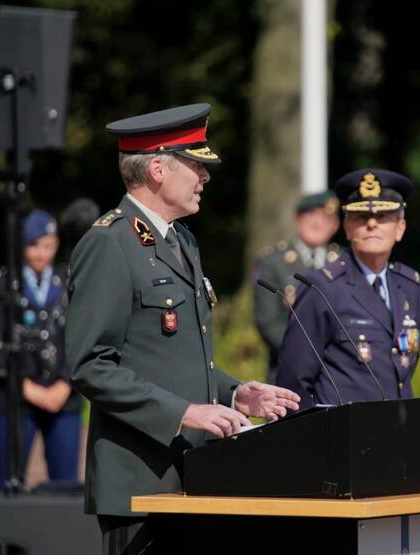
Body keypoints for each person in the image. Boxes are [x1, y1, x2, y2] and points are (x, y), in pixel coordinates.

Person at [65, 103, 301, 554]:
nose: (205, 177)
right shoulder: (109, 245)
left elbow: (176, 357)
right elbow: (90, 365)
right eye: (196, 165)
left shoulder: (181, 240)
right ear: (157, 168)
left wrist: (235, 394)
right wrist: (184, 414)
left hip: (192, 472)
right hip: (140, 482)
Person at [275, 169, 420, 410]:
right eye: (361, 217)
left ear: (400, 228)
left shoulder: (410, 285)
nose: (372, 224)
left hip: (398, 431)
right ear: (347, 227)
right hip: (343, 436)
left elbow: (404, 365)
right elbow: (294, 381)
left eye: (383, 216)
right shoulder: (323, 286)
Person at [0, 209, 81, 490]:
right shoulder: (4, 281)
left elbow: (82, 335)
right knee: (8, 480)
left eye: (48, 245)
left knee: (66, 484)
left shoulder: (68, 280)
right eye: (33, 245)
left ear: (57, 244)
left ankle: (59, 534)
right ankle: (4, 533)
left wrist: (65, 382)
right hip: (19, 395)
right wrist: (24, 386)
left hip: (64, 395)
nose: (41, 253)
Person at [252, 191, 340, 383]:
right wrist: (312, 354)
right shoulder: (272, 262)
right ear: (297, 218)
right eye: (310, 215)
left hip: (338, 376)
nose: (317, 223)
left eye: (325, 217)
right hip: (288, 372)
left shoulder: (343, 264)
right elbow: (268, 323)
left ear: (335, 225)